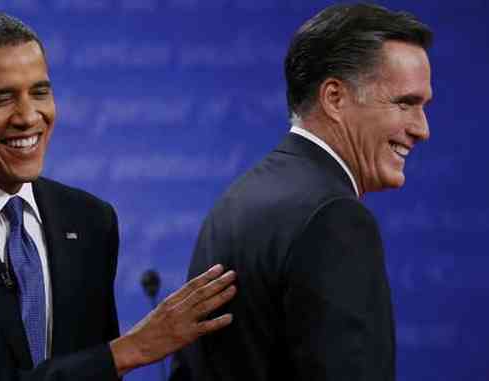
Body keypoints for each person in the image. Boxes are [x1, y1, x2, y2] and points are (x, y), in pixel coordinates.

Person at [0, 12, 237, 381]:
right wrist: (126, 351)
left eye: (40, 92)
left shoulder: (89, 220)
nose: (29, 116)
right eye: (2, 98)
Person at [170, 3, 432, 380]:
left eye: (423, 106)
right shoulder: (334, 216)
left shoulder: (242, 197)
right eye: (405, 103)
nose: (422, 129)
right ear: (335, 98)